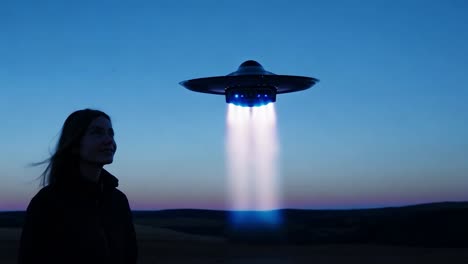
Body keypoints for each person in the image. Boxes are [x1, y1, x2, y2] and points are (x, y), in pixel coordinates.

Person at [18, 109, 138, 264]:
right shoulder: (47, 202)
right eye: (97, 132)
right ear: (74, 144)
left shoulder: (118, 200)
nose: (109, 140)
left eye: (111, 133)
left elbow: (129, 256)